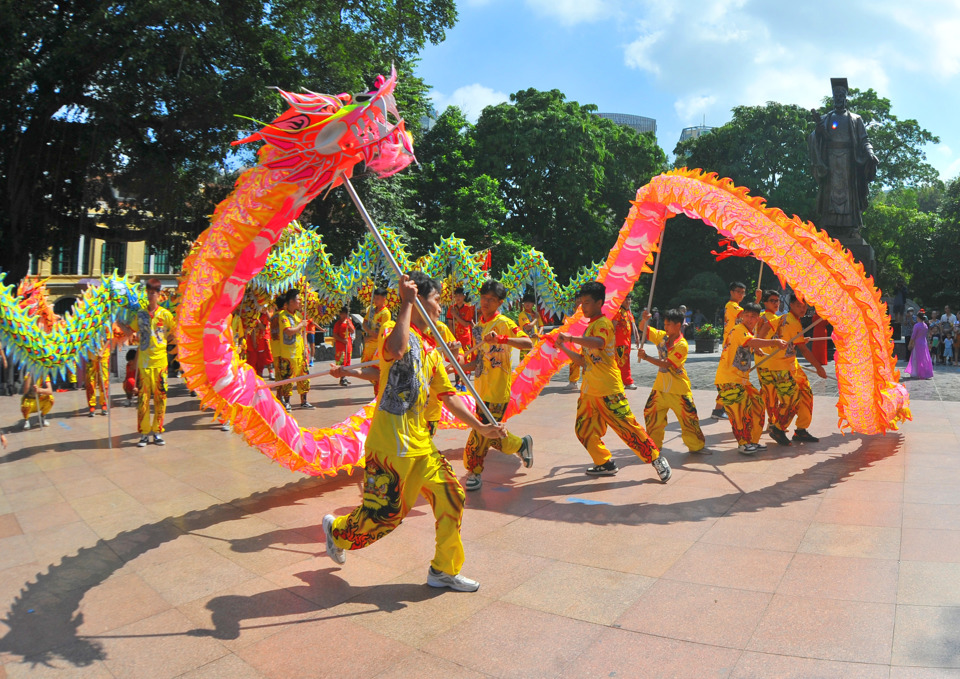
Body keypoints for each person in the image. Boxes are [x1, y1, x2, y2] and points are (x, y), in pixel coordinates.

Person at [323, 272, 507, 593]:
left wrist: (481, 427)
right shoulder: (392, 334)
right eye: (435, 300)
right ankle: (337, 532)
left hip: (420, 444)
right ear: (420, 301)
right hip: (389, 447)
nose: (440, 308)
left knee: (452, 496)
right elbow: (395, 350)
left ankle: (443, 570)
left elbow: (447, 396)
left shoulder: (432, 353)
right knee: (385, 516)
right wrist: (406, 303)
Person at [555, 283, 671, 481]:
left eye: (587, 303)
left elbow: (599, 343)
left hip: (609, 389)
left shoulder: (603, 324)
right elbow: (584, 361)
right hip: (589, 391)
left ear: (599, 303)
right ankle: (604, 463)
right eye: (581, 303)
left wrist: (571, 338)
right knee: (583, 430)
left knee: (627, 428)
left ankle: (656, 458)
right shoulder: (590, 326)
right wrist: (564, 347)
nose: (583, 307)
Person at [460, 279, 534, 492]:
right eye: (484, 298)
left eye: (492, 300)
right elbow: (479, 361)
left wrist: (502, 339)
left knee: (481, 432)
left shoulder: (504, 323)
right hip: (480, 389)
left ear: (500, 302)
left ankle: (474, 470)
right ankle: (521, 444)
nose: (486, 302)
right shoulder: (479, 326)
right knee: (492, 435)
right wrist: (456, 366)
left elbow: (528, 343)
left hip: (498, 390)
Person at [807, 77, 879, 239]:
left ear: (845, 98)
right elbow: (814, 138)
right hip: (831, 161)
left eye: (841, 96)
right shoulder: (826, 118)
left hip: (849, 161)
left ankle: (851, 228)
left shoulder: (855, 119)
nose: (838, 99)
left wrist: (870, 153)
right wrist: (817, 133)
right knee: (830, 194)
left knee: (849, 194)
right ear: (833, 98)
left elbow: (864, 140)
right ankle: (828, 228)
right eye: (836, 96)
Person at [714, 302, 787, 454]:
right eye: (746, 315)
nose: (749, 319)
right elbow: (750, 341)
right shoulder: (739, 329)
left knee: (758, 405)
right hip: (729, 381)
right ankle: (743, 444)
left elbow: (748, 343)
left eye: (753, 316)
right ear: (741, 317)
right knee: (739, 415)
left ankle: (752, 441)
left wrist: (756, 349)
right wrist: (774, 342)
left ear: (758, 319)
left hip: (740, 380)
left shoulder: (747, 332)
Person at [758, 296, 828, 446]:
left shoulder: (788, 319)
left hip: (791, 365)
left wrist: (797, 340)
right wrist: (819, 367)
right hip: (781, 368)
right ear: (791, 305)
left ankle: (801, 430)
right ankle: (778, 429)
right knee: (791, 400)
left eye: (805, 307)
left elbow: (765, 331)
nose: (803, 309)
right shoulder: (788, 320)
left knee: (806, 394)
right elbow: (803, 350)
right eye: (799, 306)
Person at [638, 308, 706, 455]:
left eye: (668, 324)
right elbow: (643, 328)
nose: (665, 327)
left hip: (678, 390)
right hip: (660, 388)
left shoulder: (682, 345)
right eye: (665, 324)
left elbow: (667, 364)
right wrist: (644, 319)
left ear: (678, 325)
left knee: (689, 419)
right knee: (651, 415)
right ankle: (654, 445)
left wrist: (646, 358)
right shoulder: (662, 337)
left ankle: (697, 446)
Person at [125, 278, 175, 446]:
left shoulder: (166, 315)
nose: (151, 296)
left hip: (161, 363)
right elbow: (130, 331)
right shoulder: (140, 315)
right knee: (143, 399)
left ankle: (157, 431)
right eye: (149, 293)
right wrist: (115, 324)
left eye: (154, 293)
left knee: (161, 398)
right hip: (145, 364)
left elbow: (175, 333)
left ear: (159, 294)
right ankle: (144, 433)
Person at [711, 281, 748, 419]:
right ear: (731, 292)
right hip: (732, 345)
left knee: (730, 377)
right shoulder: (732, 305)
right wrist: (757, 300)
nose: (741, 294)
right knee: (729, 377)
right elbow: (748, 316)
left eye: (743, 292)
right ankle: (719, 408)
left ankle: (720, 408)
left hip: (735, 345)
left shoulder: (736, 306)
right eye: (738, 291)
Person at [275, 290, 313, 409]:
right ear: (291, 301)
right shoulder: (283, 316)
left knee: (304, 376)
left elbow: (303, 334)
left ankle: (304, 400)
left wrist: (305, 348)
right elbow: (288, 331)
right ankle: (287, 402)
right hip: (289, 353)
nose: (300, 301)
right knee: (288, 378)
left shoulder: (297, 316)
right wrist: (301, 325)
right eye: (298, 299)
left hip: (300, 352)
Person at [755, 290, 783, 427]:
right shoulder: (772, 319)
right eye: (772, 300)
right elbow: (759, 337)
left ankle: (759, 415)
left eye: (777, 300)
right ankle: (772, 422)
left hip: (764, 359)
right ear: (765, 302)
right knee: (771, 392)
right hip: (766, 360)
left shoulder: (761, 315)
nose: (776, 303)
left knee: (767, 391)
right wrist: (756, 347)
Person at [361, 288, 391, 392]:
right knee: (365, 368)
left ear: (384, 299)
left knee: (376, 371)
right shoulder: (371, 310)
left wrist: (370, 335)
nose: (375, 300)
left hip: (377, 347)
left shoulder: (386, 314)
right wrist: (369, 331)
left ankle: (379, 394)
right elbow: (364, 323)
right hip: (368, 345)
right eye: (374, 298)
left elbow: (382, 333)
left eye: (378, 298)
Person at [613, 296, 638, 390]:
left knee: (624, 362)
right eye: (625, 299)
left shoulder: (629, 312)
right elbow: (613, 326)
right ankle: (628, 382)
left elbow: (633, 325)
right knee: (623, 362)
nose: (628, 301)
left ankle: (619, 381)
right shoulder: (618, 312)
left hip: (627, 342)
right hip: (620, 342)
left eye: (629, 299)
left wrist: (637, 336)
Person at [84, 343, 110, 417]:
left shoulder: (105, 330)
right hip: (90, 357)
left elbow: (108, 338)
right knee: (90, 383)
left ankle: (104, 405)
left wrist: (102, 352)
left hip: (103, 357)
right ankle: (92, 406)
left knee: (104, 382)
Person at [332, 306, 355, 386]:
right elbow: (334, 334)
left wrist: (350, 325)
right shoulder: (338, 324)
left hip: (348, 344)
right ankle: (342, 378)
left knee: (348, 360)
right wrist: (342, 340)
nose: (343, 315)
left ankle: (345, 377)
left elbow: (352, 331)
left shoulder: (348, 321)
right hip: (341, 346)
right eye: (342, 314)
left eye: (345, 314)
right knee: (342, 361)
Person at [907, 313, 933, 379]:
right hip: (924, 342)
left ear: (918, 317)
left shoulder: (917, 325)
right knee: (924, 357)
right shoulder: (925, 325)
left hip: (917, 343)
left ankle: (915, 372)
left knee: (915, 357)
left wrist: (910, 343)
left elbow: (913, 335)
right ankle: (925, 372)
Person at [517, 293, 541, 362]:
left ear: (533, 303)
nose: (527, 304)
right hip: (525, 345)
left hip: (535, 344)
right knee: (524, 367)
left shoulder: (536, 313)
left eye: (530, 302)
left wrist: (538, 334)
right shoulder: (522, 314)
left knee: (534, 367)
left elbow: (541, 326)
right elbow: (528, 327)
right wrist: (536, 319)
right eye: (525, 302)